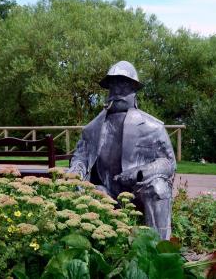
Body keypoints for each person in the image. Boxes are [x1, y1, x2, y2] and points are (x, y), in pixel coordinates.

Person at [68, 61, 176, 239]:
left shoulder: (152, 127)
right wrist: (75, 174)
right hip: (104, 191)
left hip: (138, 193)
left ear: (134, 90)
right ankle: (86, 249)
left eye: (124, 85)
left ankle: (159, 249)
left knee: (159, 188)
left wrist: (140, 173)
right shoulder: (92, 129)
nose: (117, 91)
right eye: (113, 85)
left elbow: (168, 164)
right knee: (73, 188)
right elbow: (80, 157)